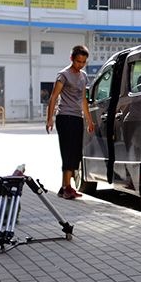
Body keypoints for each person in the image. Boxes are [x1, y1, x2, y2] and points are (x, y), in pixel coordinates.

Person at [46, 45, 95, 200]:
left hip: (77, 117)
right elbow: (53, 97)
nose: (81, 64)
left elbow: (83, 100)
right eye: (78, 61)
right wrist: (49, 118)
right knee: (67, 152)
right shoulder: (63, 75)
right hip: (65, 117)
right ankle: (67, 187)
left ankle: (64, 188)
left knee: (75, 153)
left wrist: (89, 120)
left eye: (83, 62)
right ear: (71, 59)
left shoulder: (84, 76)